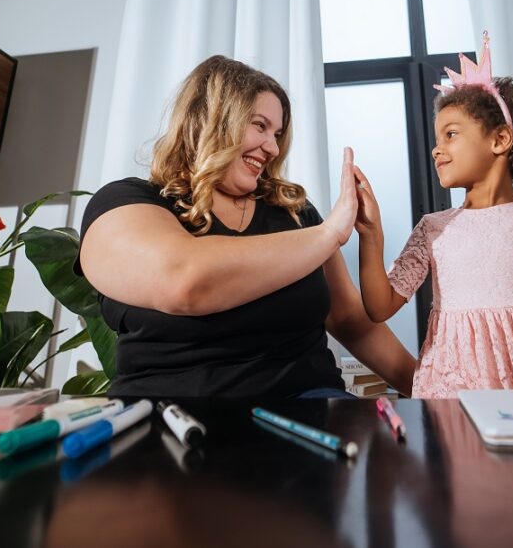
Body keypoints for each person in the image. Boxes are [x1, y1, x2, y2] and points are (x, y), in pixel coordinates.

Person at [78, 55, 415, 398]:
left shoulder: (297, 214)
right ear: (210, 120)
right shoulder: (126, 202)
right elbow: (184, 280)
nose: (272, 148)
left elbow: (351, 322)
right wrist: (330, 233)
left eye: (278, 133)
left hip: (307, 411)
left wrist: (432, 389)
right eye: (259, 126)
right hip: (170, 419)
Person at [354, 33, 513, 398]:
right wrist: (370, 235)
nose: (436, 149)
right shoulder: (433, 229)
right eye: (437, 138)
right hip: (457, 398)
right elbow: (379, 306)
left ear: (500, 139)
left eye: (451, 134)